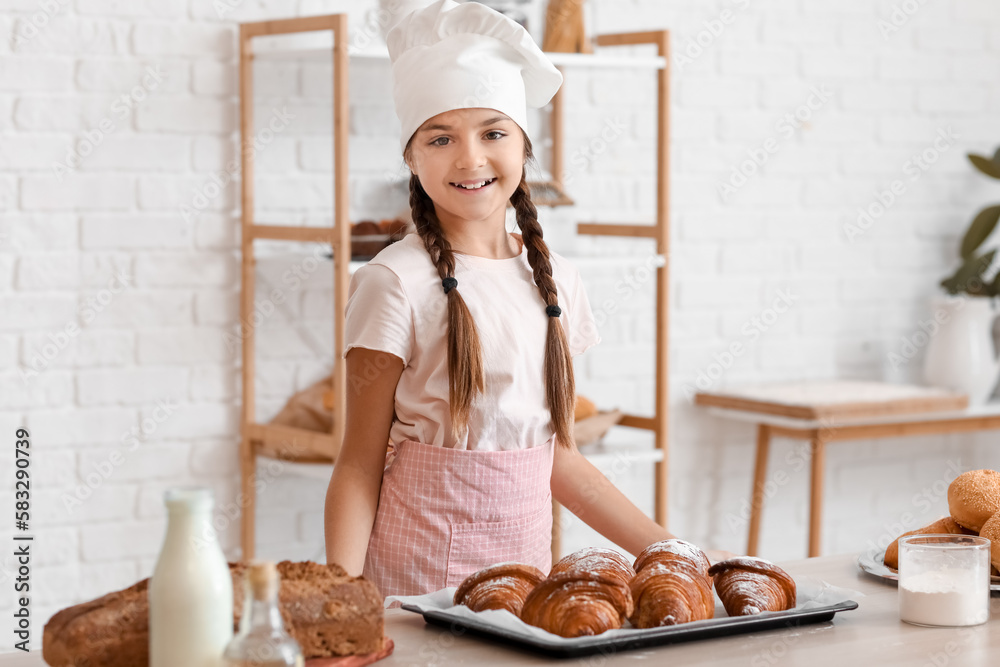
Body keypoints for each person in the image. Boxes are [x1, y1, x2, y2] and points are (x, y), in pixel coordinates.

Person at [324, 0, 731, 598]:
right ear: (412, 157)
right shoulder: (393, 283)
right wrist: (346, 596)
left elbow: (557, 461)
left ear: (523, 147)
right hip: (416, 588)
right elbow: (358, 465)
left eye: (493, 133)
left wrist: (674, 553)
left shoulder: (556, 282)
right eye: (440, 138)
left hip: (526, 592)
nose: (470, 158)